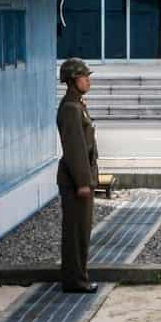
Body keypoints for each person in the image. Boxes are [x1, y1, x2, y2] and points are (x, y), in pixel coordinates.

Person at [57, 58, 99, 294]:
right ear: (73, 80)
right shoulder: (71, 109)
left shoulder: (77, 105)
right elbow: (75, 150)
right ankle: (75, 280)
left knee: (81, 232)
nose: (88, 80)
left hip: (81, 179)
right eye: (85, 77)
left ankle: (79, 276)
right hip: (75, 182)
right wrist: (83, 182)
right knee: (75, 233)